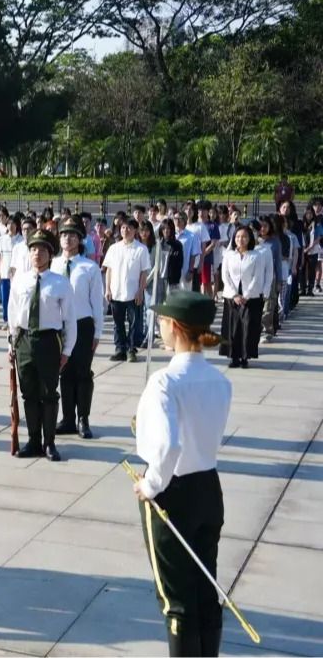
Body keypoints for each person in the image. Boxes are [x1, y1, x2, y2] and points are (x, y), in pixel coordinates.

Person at [133, 290, 230, 658]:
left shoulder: (165, 382)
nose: (159, 325)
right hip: (208, 486)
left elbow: (169, 447)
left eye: (162, 320)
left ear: (175, 327)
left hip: (173, 493)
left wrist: (150, 485)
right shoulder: (219, 380)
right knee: (206, 588)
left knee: (177, 599)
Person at [7, 230, 75, 461]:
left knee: (48, 393)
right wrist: (11, 344)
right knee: (29, 393)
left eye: (42, 249)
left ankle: (49, 442)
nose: (37, 253)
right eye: (33, 249)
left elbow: (69, 320)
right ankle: (33, 440)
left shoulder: (60, 283)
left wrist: (66, 350)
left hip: (48, 341)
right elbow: (13, 315)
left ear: (51, 254)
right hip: (24, 340)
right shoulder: (21, 280)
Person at [52, 216, 103, 439]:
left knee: (82, 373)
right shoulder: (52, 264)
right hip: (59, 325)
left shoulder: (89, 267)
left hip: (82, 324)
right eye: (63, 234)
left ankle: (83, 418)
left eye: (72, 234)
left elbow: (97, 303)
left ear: (80, 239)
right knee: (64, 373)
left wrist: (98, 332)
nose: (67, 238)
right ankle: (68, 419)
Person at [220, 226, 272, 369]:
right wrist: (235, 294)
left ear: (249, 239)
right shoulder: (229, 255)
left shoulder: (256, 255)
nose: (240, 240)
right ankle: (234, 356)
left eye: (244, 237)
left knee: (248, 327)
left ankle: (245, 357)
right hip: (232, 296)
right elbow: (225, 276)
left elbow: (258, 276)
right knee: (233, 327)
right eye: (237, 237)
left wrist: (246, 295)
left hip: (251, 297)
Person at [102, 219, 151, 362]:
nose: (125, 230)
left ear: (135, 230)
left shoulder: (141, 249)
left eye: (129, 228)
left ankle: (131, 349)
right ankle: (120, 349)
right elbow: (109, 269)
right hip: (116, 292)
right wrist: (108, 289)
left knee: (134, 323)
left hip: (133, 293)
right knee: (118, 324)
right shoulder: (113, 248)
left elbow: (143, 273)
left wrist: (140, 291)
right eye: (123, 228)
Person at [0, 217, 22, 328]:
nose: (10, 226)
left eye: (13, 223)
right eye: (9, 223)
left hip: (18, 275)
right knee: (5, 299)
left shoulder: (21, 240)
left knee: (17, 298)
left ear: (17, 225)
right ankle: (6, 320)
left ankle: (17, 320)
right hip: (5, 274)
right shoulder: (1, 240)